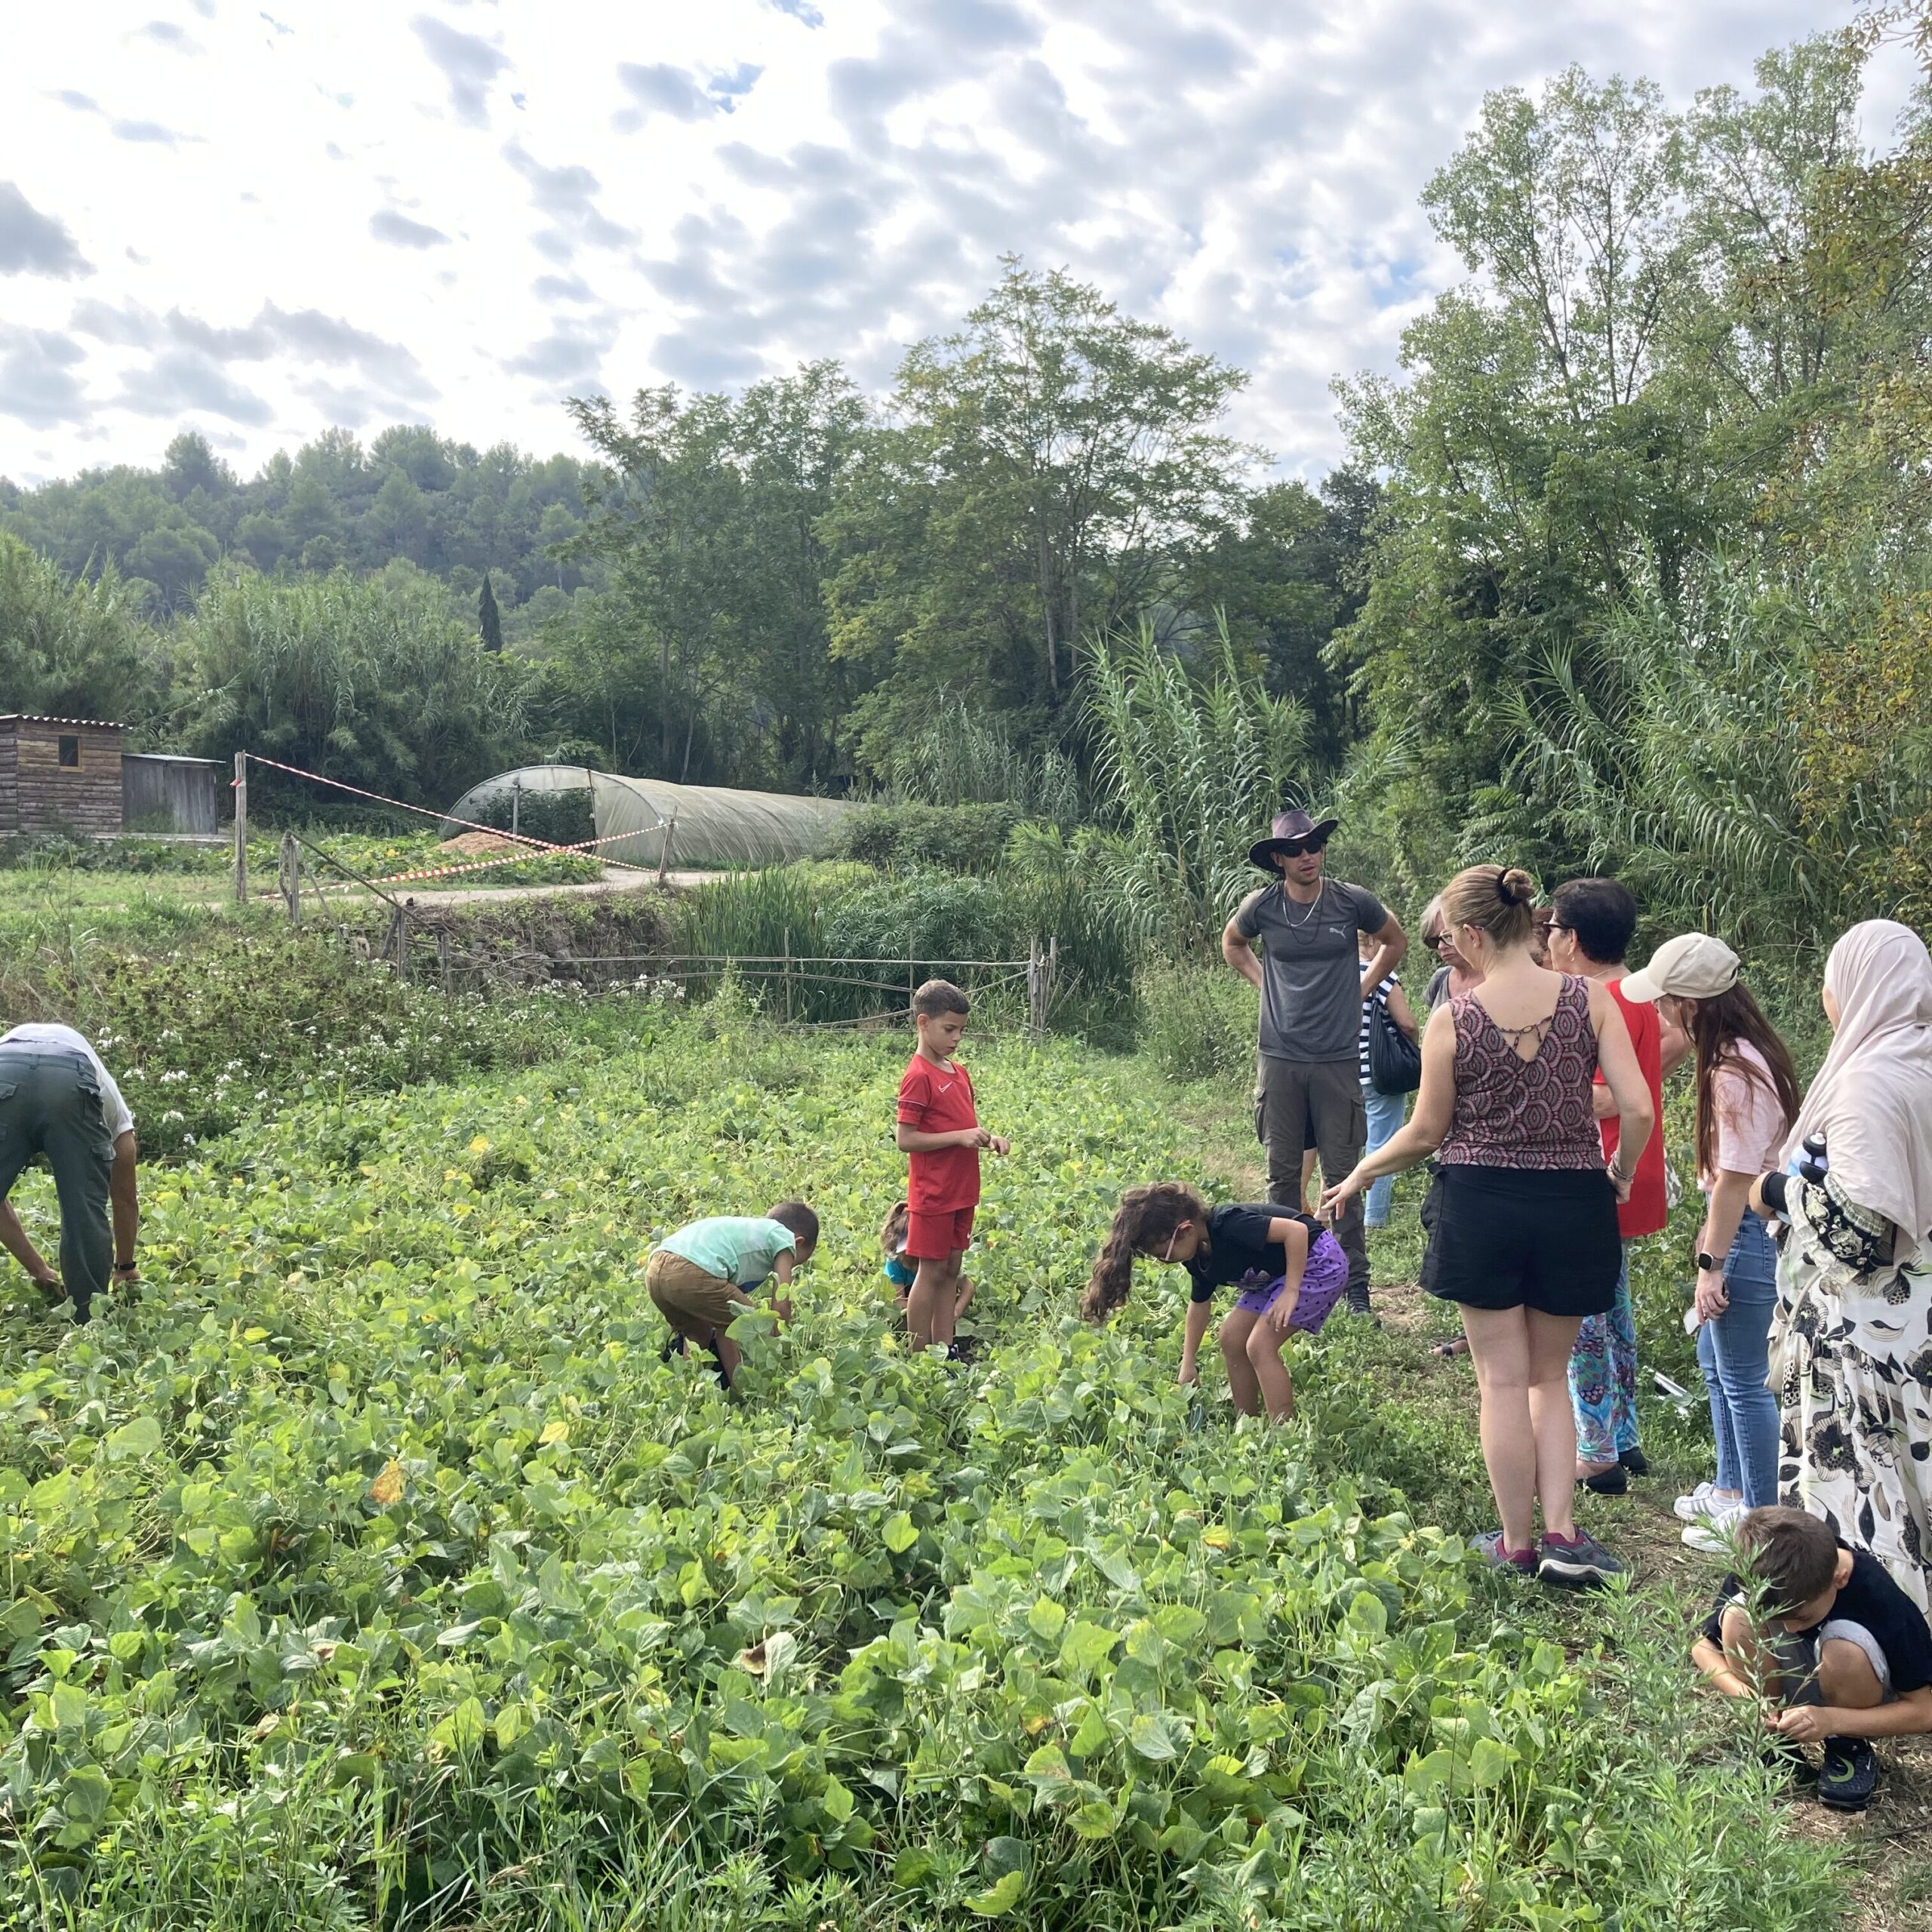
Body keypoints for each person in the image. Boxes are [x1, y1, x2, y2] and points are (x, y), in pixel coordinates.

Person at [1319, 865, 1653, 1589]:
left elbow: (1423, 1132)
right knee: (1550, 1378)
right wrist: (1620, 1172)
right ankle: (1564, 1535)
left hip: (1482, 1205)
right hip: (1572, 1201)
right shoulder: (1588, 998)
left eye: (1450, 936)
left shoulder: (1454, 1019)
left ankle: (1515, 1543)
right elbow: (1639, 1108)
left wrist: (1360, 1174)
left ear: (1472, 933)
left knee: (1501, 1381)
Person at [1749, 920, 1932, 1620]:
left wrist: (1775, 1192)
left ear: (1859, 986)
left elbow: (1858, 1233)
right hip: (1921, 1321)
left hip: (1868, 1335)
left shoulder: (1866, 1084)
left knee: (1868, 1487)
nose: (1827, 995)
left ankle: (1882, 1640)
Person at [1621, 934, 1799, 1546]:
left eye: (1667, 1004)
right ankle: (1729, 1489)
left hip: (1747, 1234)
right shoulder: (1740, 1055)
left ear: (1691, 1005)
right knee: (1717, 1366)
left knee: (1746, 1379)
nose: (1664, 1015)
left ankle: (1760, 1518)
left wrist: (1710, 1264)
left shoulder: (1733, 1072)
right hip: (1735, 1228)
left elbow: (1737, 1181)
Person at [1224, 807, 1406, 1318]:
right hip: (1279, 1056)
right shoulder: (1262, 906)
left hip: (1336, 1057)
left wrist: (1362, 989)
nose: (1309, 856)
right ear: (1279, 859)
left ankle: (1355, 1287)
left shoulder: (1351, 902)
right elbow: (1232, 943)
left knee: (1344, 1171)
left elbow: (1396, 941)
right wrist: (1265, 987)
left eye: (1315, 846)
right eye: (1297, 850)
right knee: (1282, 1174)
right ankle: (1284, 1277)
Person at [1546, 879, 1668, 1497]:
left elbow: (1601, 1094)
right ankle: (1624, 1435)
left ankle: (1594, 1452)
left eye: (1552, 931)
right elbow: (1666, 1051)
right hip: (1636, 1163)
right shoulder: (1639, 992)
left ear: (1571, 938)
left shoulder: (1593, 999)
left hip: (1603, 1167)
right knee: (1614, 1309)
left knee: (1583, 1315)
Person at [1690, 1506, 1932, 1813]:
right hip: (1787, 1683)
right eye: (1778, 1618)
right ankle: (1773, 1739)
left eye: (1801, 1617)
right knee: (1739, 1617)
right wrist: (1749, 1698)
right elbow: (1703, 1649)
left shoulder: (1877, 1595)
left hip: (1856, 1690)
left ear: (1840, 1579)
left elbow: (1924, 1711)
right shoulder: (1759, 1565)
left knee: (1843, 1646)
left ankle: (1846, 1746)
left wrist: (1833, 1720)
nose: (1789, 1629)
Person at [1080, 1182, 1348, 1420]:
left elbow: (1297, 1232)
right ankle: (1248, 1421)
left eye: (1165, 1255)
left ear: (1185, 1230)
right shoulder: (1197, 1254)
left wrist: (1291, 1291)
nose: (1165, 1262)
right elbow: (1199, 1304)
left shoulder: (1230, 1226)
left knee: (1259, 1345)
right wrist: (1188, 1362)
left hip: (1317, 1262)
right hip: (1276, 1274)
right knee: (1231, 1337)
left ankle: (1284, 1434)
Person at [896, 979, 1008, 1355]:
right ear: (923, 1023)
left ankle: (944, 1349)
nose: (957, 1037)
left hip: (963, 1189)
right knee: (929, 1274)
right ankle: (917, 1354)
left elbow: (962, 1126)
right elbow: (905, 1139)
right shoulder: (918, 1076)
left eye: (961, 1029)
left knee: (950, 1271)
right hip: (933, 1193)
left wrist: (989, 1140)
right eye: (949, 1029)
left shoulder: (958, 1073)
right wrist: (960, 1137)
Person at [0, 1021, 140, 1322]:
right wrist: (125, 1267)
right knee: (84, 1207)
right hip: (69, 1076)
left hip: (4, 1066)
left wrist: (38, 1269)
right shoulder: (119, 1121)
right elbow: (125, 1199)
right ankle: (88, 1321)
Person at [646, 1201, 817, 1389]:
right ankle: (742, 1391)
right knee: (747, 1322)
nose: (791, 1264)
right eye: (796, 1261)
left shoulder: (746, 1231)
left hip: (655, 1272)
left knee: (698, 1333)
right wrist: (780, 1340)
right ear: (798, 1242)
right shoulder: (784, 1237)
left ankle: (690, 1390)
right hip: (691, 1271)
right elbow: (781, 1307)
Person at [1357, 929, 1419, 1231]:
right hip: (1380, 1073)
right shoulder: (1379, 974)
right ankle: (1375, 1218)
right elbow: (1406, 1022)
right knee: (1382, 1146)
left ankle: (1343, 1210)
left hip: (1340, 1075)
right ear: (1370, 940)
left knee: (1346, 1147)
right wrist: (1412, 1046)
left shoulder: (1331, 974)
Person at [879, 1198, 974, 1325]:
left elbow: (968, 1287)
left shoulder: (938, 1259)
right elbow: (899, 1303)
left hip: (941, 1302)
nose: (914, 1265)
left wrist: (956, 1310)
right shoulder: (895, 1263)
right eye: (908, 1259)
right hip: (912, 1309)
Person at [1420, 895, 1483, 1014]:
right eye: (1433, 941)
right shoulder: (1439, 980)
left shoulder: (1496, 977)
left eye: (1449, 937)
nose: (1441, 946)